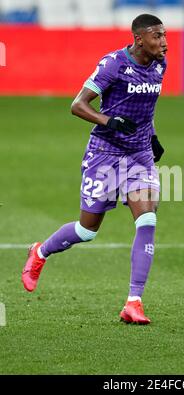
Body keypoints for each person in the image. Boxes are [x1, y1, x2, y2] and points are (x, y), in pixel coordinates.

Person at [21, 14, 168, 325]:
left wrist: (152, 137)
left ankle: (133, 302)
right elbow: (77, 104)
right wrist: (108, 121)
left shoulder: (159, 66)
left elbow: (145, 110)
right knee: (87, 230)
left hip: (139, 155)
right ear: (139, 39)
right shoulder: (114, 64)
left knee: (148, 218)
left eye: (165, 35)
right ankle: (40, 252)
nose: (164, 43)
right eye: (157, 36)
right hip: (104, 154)